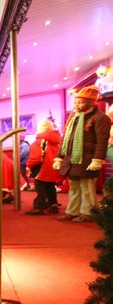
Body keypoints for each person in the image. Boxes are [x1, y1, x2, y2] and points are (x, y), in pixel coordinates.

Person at [54, 86, 111, 222]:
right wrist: (59, 157)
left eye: (80, 102)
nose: (76, 105)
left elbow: (102, 141)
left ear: (90, 103)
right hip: (72, 159)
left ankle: (89, 213)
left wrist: (97, 159)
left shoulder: (100, 118)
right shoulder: (74, 117)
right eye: (75, 102)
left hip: (87, 159)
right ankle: (72, 211)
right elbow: (66, 139)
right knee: (74, 186)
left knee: (87, 187)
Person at [26, 119, 63, 215]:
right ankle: (53, 205)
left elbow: (36, 157)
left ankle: (39, 206)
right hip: (54, 168)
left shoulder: (39, 141)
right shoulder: (58, 141)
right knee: (51, 188)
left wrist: (29, 166)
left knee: (40, 189)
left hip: (42, 169)